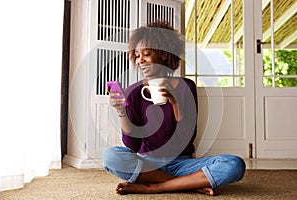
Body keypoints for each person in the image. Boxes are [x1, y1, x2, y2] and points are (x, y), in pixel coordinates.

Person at [103, 19, 245, 196]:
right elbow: (133, 144)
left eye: (146, 54)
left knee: (234, 164)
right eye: (137, 56)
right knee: (111, 156)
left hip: (182, 164)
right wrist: (121, 111)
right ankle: (191, 185)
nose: (140, 61)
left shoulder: (186, 87)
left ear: (164, 54)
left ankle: (155, 186)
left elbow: (186, 137)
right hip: (147, 163)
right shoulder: (133, 92)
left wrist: (175, 102)